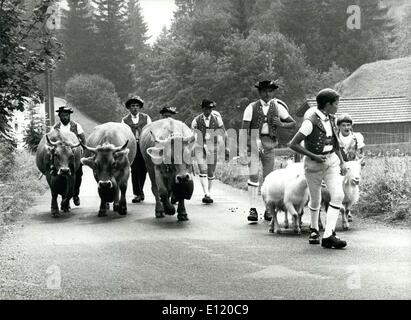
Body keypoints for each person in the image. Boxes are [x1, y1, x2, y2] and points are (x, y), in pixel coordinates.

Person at [288, 88, 348, 249]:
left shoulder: (332, 118)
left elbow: (335, 143)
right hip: (314, 165)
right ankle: (314, 229)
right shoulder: (310, 122)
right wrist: (314, 156)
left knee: (338, 195)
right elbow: (292, 144)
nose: (337, 106)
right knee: (316, 199)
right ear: (328, 104)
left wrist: (342, 161)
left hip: (332, 161)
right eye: (336, 103)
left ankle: (328, 234)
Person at [240, 80, 296, 222]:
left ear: (273, 93)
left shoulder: (277, 107)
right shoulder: (251, 107)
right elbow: (243, 130)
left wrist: (281, 124)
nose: (267, 94)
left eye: (270, 91)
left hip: (269, 143)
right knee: (253, 176)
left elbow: (293, 123)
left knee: (268, 177)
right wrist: (247, 145)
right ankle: (252, 209)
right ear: (260, 92)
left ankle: (268, 209)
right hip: (253, 142)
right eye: (264, 91)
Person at [191, 99, 226, 204]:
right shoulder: (196, 120)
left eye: (210, 109)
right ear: (203, 109)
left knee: (211, 171)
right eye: (206, 109)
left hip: (212, 146)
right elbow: (193, 135)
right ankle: (206, 193)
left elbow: (222, 131)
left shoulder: (217, 120)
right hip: (200, 146)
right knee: (203, 169)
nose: (208, 111)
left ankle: (209, 192)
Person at [52, 106, 86, 206]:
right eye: (63, 115)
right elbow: (51, 141)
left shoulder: (76, 126)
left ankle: (75, 195)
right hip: (61, 156)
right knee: (59, 176)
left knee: (78, 175)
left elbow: (83, 139)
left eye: (66, 115)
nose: (65, 117)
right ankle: (64, 196)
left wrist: (83, 152)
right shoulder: (55, 127)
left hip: (74, 155)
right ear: (59, 116)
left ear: (69, 115)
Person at [121, 96, 152, 203]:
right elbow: (124, 134)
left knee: (143, 169)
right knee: (134, 169)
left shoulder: (146, 118)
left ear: (140, 107)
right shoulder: (124, 120)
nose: (135, 108)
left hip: (143, 145)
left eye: (137, 106)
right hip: (132, 146)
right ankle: (137, 193)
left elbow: (150, 132)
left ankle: (141, 190)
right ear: (129, 108)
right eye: (133, 106)